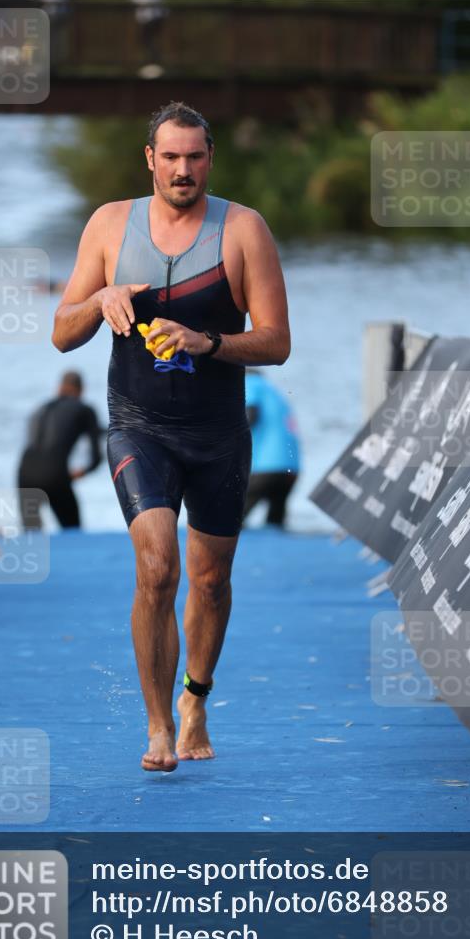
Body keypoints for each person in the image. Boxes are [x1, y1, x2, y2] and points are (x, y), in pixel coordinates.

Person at [52, 101, 290, 773]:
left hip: (217, 435)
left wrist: (205, 341)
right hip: (139, 427)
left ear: (210, 159)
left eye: (194, 157)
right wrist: (98, 302)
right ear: (149, 160)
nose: (183, 170)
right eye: (171, 157)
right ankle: (157, 726)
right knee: (157, 567)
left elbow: (277, 342)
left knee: (210, 581)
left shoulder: (243, 230)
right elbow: (61, 331)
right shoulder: (109, 224)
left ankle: (195, 697)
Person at [17, 371, 102, 530]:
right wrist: (83, 472)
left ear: (59, 388)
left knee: (31, 534)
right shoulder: (85, 409)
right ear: (81, 389)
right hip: (55, 475)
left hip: (24, 474)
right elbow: (96, 458)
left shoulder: (41, 409)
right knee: (72, 532)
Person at [243, 369, 299, 528]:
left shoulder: (250, 384)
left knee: (230, 520)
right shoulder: (274, 391)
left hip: (265, 466)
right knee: (275, 522)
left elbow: (251, 415)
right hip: (291, 467)